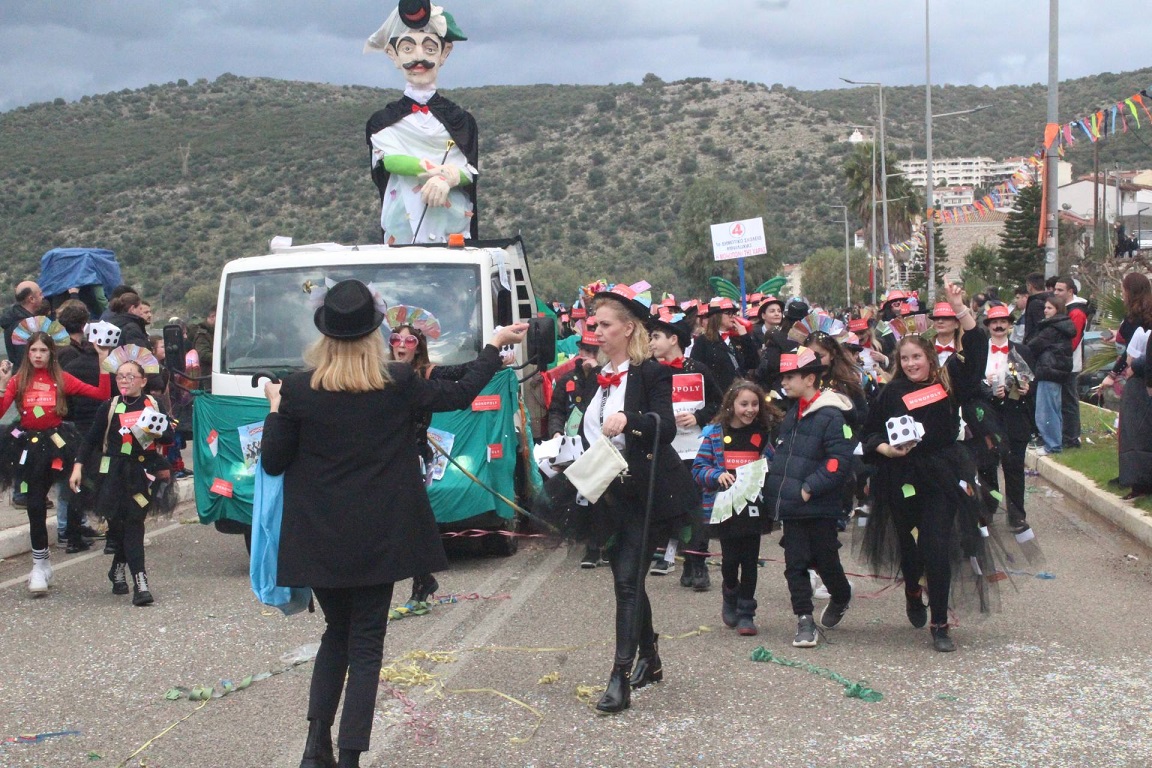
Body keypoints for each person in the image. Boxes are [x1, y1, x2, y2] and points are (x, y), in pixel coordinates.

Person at [261, 279, 525, 767]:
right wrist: (493, 346)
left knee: (336, 634)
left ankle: (315, 747)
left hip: (319, 536)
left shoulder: (298, 388)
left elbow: (274, 461)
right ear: (374, 333)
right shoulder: (398, 382)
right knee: (365, 645)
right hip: (380, 535)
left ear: (324, 333)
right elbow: (460, 394)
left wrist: (276, 409)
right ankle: (349, 758)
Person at [563, 284, 697, 714]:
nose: (597, 331)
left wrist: (631, 419)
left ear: (628, 328)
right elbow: (589, 433)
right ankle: (650, 657)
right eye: (594, 324)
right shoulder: (595, 377)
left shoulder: (651, 373)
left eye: (605, 325)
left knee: (625, 580)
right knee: (629, 579)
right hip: (609, 492)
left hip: (646, 490)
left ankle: (619, 676)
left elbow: (666, 428)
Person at [859, 283, 996, 653]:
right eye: (905, 359)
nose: (911, 364)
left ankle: (939, 623)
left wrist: (960, 308)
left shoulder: (949, 382)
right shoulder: (890, 393)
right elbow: (868, 433)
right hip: (901, 477)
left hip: (942, 474)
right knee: (910, 548)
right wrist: (885, 449)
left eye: (917, 357)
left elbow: (977, 348)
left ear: (930, 358)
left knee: (937, 546)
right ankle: (911, 588)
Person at [0, 324, 112, 595]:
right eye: (34, 350)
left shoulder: (62, 378)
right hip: (27, 446)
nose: (38, 355)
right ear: (27, 353)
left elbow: (101, 394)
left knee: (75, 494)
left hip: (60, 444)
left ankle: (77, 534)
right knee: (35, 504)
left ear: (51, 353)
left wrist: (102, 360)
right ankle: (40, 564)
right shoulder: (18, 381)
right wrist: (3, 385)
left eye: (43, 350)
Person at [365, 0, 477, 245]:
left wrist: (448, 178)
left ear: (444, 53)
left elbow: (468, 170)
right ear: (393, 54)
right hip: (401, 231)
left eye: (429, 49)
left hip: (452, 230)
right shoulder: (382, 122)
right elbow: (389, 160)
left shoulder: (460, 120)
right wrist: (436, 171)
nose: (418, 57)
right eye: (407, 48)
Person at [765, 348, 856, 647]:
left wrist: (809, 488)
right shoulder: (793, 412)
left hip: (819, 505)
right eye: (783, 377)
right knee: (795, 564)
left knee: (826, 561)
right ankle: (804, 619)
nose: (784, 383)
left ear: (810, 378)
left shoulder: (831, 415)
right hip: (793, 505)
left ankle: (841, 595)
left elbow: (838, 461)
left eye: (790, 377)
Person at [70, 355, 176, 606]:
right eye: (120, 376)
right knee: (118, 527)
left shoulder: (153, 404)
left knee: (134, 523)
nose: (124, 381)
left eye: (130, 376)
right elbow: (91, 439)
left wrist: (153, 429)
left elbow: (169, 437)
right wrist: (78, 466)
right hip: (113, 472)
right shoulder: (109, 406)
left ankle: (141, 583)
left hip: (144, 472)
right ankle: (117, 567)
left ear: (143, 381)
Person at [693, 380, 781, 635]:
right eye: (744, 404)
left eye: (755, 404)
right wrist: (716, 475)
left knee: (750, 561)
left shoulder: (762, 434)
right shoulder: (714, 434)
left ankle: (746, 612)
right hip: (724, 507)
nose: (750, 410)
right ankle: (730, 593)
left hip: (752, 506)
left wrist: (767, 467)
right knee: (731, 560)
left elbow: (773, 463)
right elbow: (698, 469)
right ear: (731, 405)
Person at [647, 311, 722, 585]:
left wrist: (698, 417)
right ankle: (668, 555)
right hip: (664, 450)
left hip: (695, 449)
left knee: (697, 507)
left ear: (673, 339)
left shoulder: (697, 369)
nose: (651, 343)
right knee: (670, 506)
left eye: (656, 337)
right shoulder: (649, 372)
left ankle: (697, 564)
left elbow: (719, 402)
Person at [977, 304, 1034, 532]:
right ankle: (988, 510)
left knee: (1014, 467)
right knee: (987, 466)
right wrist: (988, 390)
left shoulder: (1023, 351)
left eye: (1003, 322)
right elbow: (971, 384)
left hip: (1015, 417)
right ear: (988, 326)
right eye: (994, 322)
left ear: (1010, 325)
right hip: (987, 417)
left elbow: (1033, 381)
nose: (999, 326)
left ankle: (1017, 515)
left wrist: (1026, 389)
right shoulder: (979, 351)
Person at [1099, 272, 1152, 499]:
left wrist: (1113, 374)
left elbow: (1132, 352)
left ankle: (1137, 481)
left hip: (1139, 379)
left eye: (1123, 291)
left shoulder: (1135, 318)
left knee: (1134, 433)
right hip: (1143, 374)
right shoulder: (1143, 314)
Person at [1025, 295, 1074, 456]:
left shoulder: (1051, 329)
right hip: (1056, 371)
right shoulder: (1062, 327)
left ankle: (1052, 445)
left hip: (1048, 371)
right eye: (1045, 307)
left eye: (1049, 308)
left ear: (1057, 310)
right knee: (1054, 409)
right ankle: (1055, 442)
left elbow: (1033, 346)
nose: (1045, 311)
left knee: (1046, 411)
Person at [690, 297, 758, 393]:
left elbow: (753, 363)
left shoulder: (738, 338)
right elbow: (696, 370)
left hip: (738, 392)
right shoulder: (703, 340)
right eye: (728, 313)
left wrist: (745, 336)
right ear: (716, 316)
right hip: (716, 393)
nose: (732, 316)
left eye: (733, 313)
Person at [1052, 276, 1088, 449]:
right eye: (1055, 289)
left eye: (1060, 290)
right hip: (1062, 362)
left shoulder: (1076, 312)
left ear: (1070, 291)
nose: (1056, 293)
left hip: (1070, 364)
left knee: (1069, 401)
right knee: (1064, 401)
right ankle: (1067, 435)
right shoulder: (1067, 309)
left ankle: (1072, 437)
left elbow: (1072, 341)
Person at [1, 281, 44, 369]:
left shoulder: (13, 319)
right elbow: (24, 359)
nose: (43, 297)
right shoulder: (25, 326)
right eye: (40, 294)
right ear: (31, 299)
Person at [1022, 272, 1049, 343]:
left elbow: (1037, 327)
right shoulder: (1050, 300)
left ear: (1030, 286)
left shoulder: (1035, 303)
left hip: (1035, 344)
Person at [192, 307, 216, 372]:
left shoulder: (214, 332)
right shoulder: (202, 334)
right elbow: (203, 354)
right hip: (207, 373)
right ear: (212, 316)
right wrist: (221, 357)